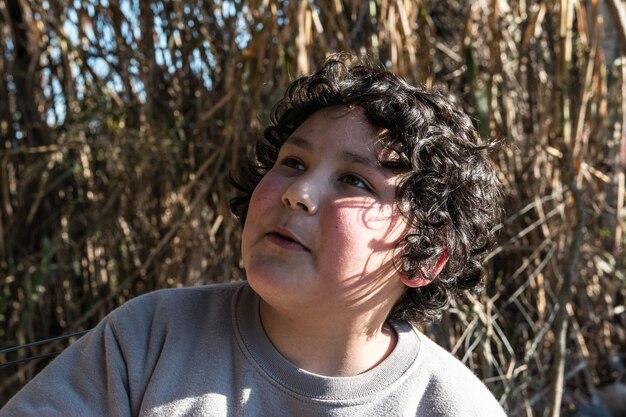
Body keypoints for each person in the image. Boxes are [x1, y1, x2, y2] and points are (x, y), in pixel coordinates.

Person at [1, 54, 507, 416]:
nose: (299, 192)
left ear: (424, 259)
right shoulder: (147, 339)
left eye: (354, 180)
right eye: (292, 162)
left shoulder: (452, 406)